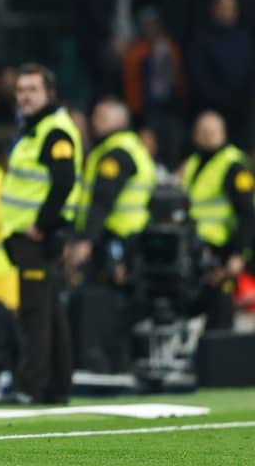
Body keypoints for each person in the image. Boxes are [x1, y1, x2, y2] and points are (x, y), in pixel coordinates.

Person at [0, 64, 82, 405]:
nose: (25, 96)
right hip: (35, 236)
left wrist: (42, 225)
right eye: (21, 90)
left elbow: (64, 181)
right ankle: (57, 385)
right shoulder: (36, 129)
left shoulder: (54, 131)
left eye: (32, 89)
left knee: (35, 312)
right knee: (50, 312)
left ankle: (29, 386)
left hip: (37, 237)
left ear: (50, 93)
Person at [66, 98, 155, 373]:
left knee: (102, 301)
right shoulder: (119, 149)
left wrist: (85, 240)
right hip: (126, 239)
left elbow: (102, 200)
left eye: (102, 116)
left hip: (118, 240)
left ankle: (102, 364)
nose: (95, 120)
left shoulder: (116, 153)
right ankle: (114, 362)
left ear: (120, 120)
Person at [178, 111, 254, 330]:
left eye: (213, 131)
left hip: (223, 251)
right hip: (196, 251)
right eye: (203, 131)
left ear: (223, 133)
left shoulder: (234, 165)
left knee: (220, 314)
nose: (208, 136)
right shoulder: (192, 164)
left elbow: (248, 214)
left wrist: (239, 253)